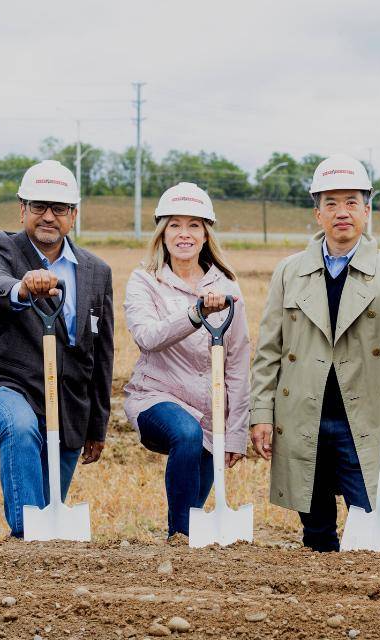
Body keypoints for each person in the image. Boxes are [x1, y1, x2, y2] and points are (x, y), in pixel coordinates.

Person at [249, 154, 380, 552]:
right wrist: (261, 414)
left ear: (367, 210)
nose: (341, 212)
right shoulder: (289, 272)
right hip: (303, 415)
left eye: (351, 202)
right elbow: (268, 351)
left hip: (363, 416)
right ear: (317, 213)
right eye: (331, 203)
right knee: (315, 534)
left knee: (370, 529)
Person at [0, 159, 114, 538]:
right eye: (38, 206)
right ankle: (28, 544)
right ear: (22, 209)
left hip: (69, 402)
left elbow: (102, 352)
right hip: (3, 383)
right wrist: (21, 287)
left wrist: (98, 424)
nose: (48, 217)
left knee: (48, 509)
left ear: (73, 215)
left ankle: (34, 569)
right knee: (19, 426)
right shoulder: (1, 248)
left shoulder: (96, 271)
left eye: (59, 208)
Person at [123, 182, 250, 539]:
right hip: (156, 397)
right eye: (175, 224)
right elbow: (147, 336)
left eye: (194, 225)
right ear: (162, 233)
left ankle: (183, 554)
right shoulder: (144, 281)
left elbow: (238, 362)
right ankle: (177, 540)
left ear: (206, 234)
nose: (184, 233)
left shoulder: (227, 287)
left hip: (212, 412)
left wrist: (236, 432)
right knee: (185, 432)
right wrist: (195, 313)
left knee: (194, 512)